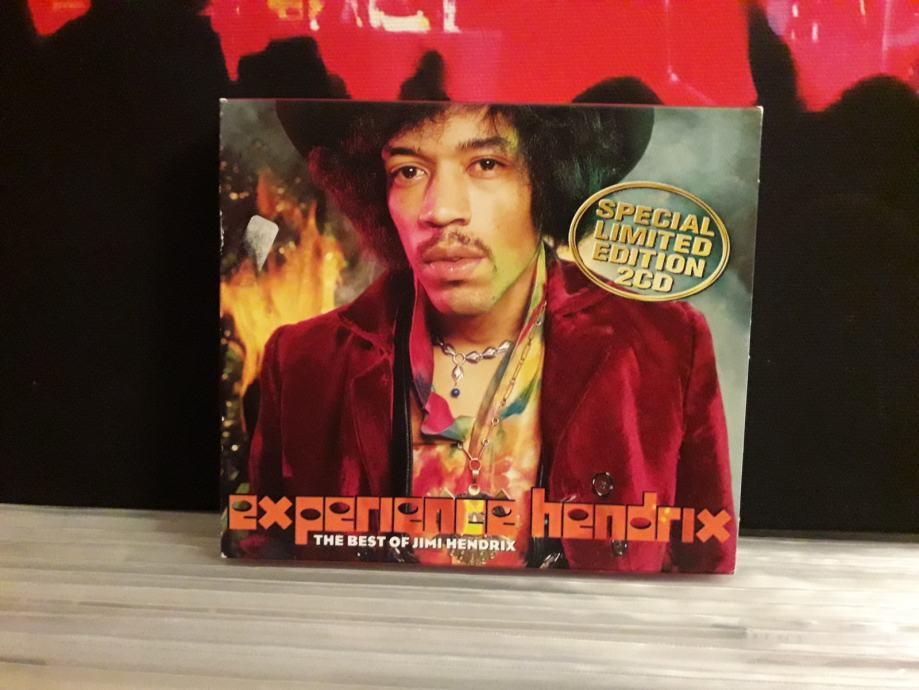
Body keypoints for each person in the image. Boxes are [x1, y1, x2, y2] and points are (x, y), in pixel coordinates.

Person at [246, 101, 735, 572]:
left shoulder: (663, 344)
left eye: (486, 164)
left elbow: (703, 566)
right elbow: (270, 566)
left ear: (546, 179)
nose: (441, 211)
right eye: (409, 171)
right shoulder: (304, 360)